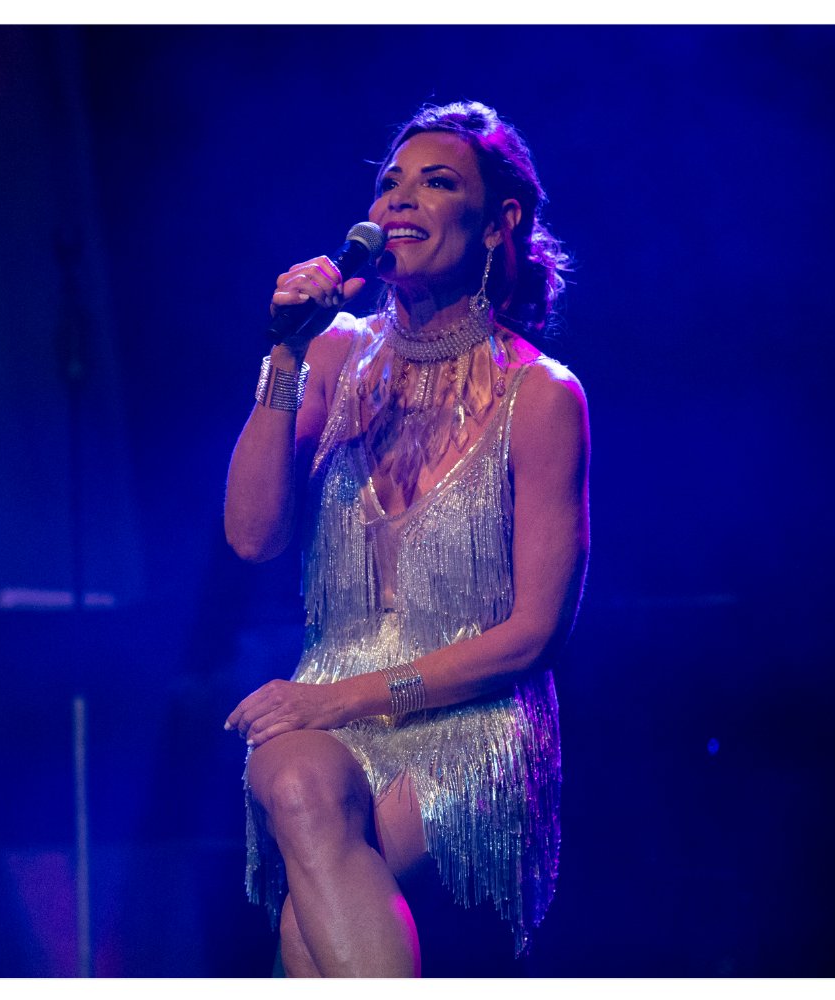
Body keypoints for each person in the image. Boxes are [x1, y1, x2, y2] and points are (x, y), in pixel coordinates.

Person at [221, 101, 589, 976]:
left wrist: (343, 700)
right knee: (296, 780)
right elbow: (251, 537)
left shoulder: (541, 397)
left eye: (437, 182)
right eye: (389, 183)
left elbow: (535, 635)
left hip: (471, 716)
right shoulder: (334, 356)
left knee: (308, 930)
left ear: (500, 223)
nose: (399, 200)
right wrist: (284, 357)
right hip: (328, 704)